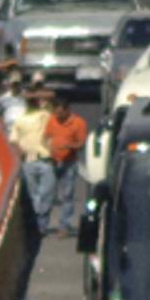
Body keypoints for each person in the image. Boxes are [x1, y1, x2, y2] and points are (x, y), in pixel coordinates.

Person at [10, 84, 55, 235]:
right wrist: (19, 153)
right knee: (32, 195)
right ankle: (35, 226)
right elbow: (14, 140)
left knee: (46, 195)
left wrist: (36, 95)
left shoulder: (45, 115)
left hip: (45, 160)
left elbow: (52, 96)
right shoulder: (20, 119)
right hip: (28, 161)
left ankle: (41, 225)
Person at [44, 96, 88, 236]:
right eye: (56, 113)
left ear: (68, 110)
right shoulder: (52, 120)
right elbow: (47, 137)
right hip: (53, 161)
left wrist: (70, 146)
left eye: (60, 114)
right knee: (47, 194)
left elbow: (81, 143)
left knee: (67, 195)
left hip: (69, 162)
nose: (58, 117)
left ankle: (64, 226)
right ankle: (42, 226)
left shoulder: (79, 123)